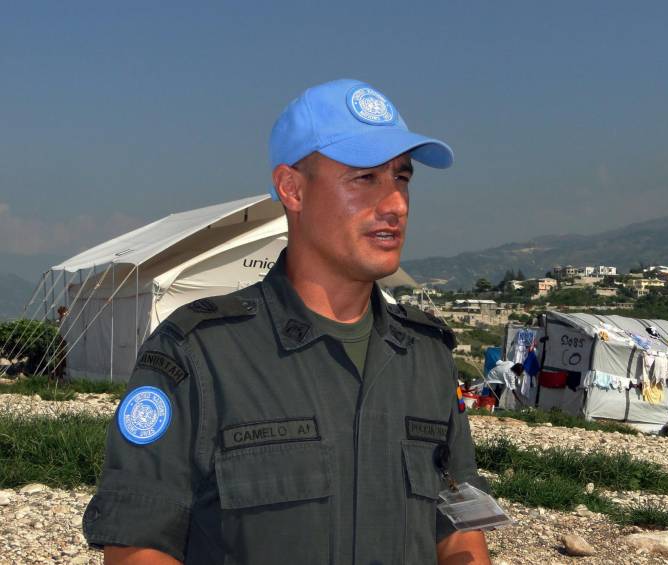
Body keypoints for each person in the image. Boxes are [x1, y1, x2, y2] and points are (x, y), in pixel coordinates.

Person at [83, 79, 490, 564]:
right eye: (365, 179)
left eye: (401, 178)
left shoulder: (427, 358)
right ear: (292, 189)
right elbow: (138, 546)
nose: (396, 204)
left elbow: (460, 533)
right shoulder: (200, 354)